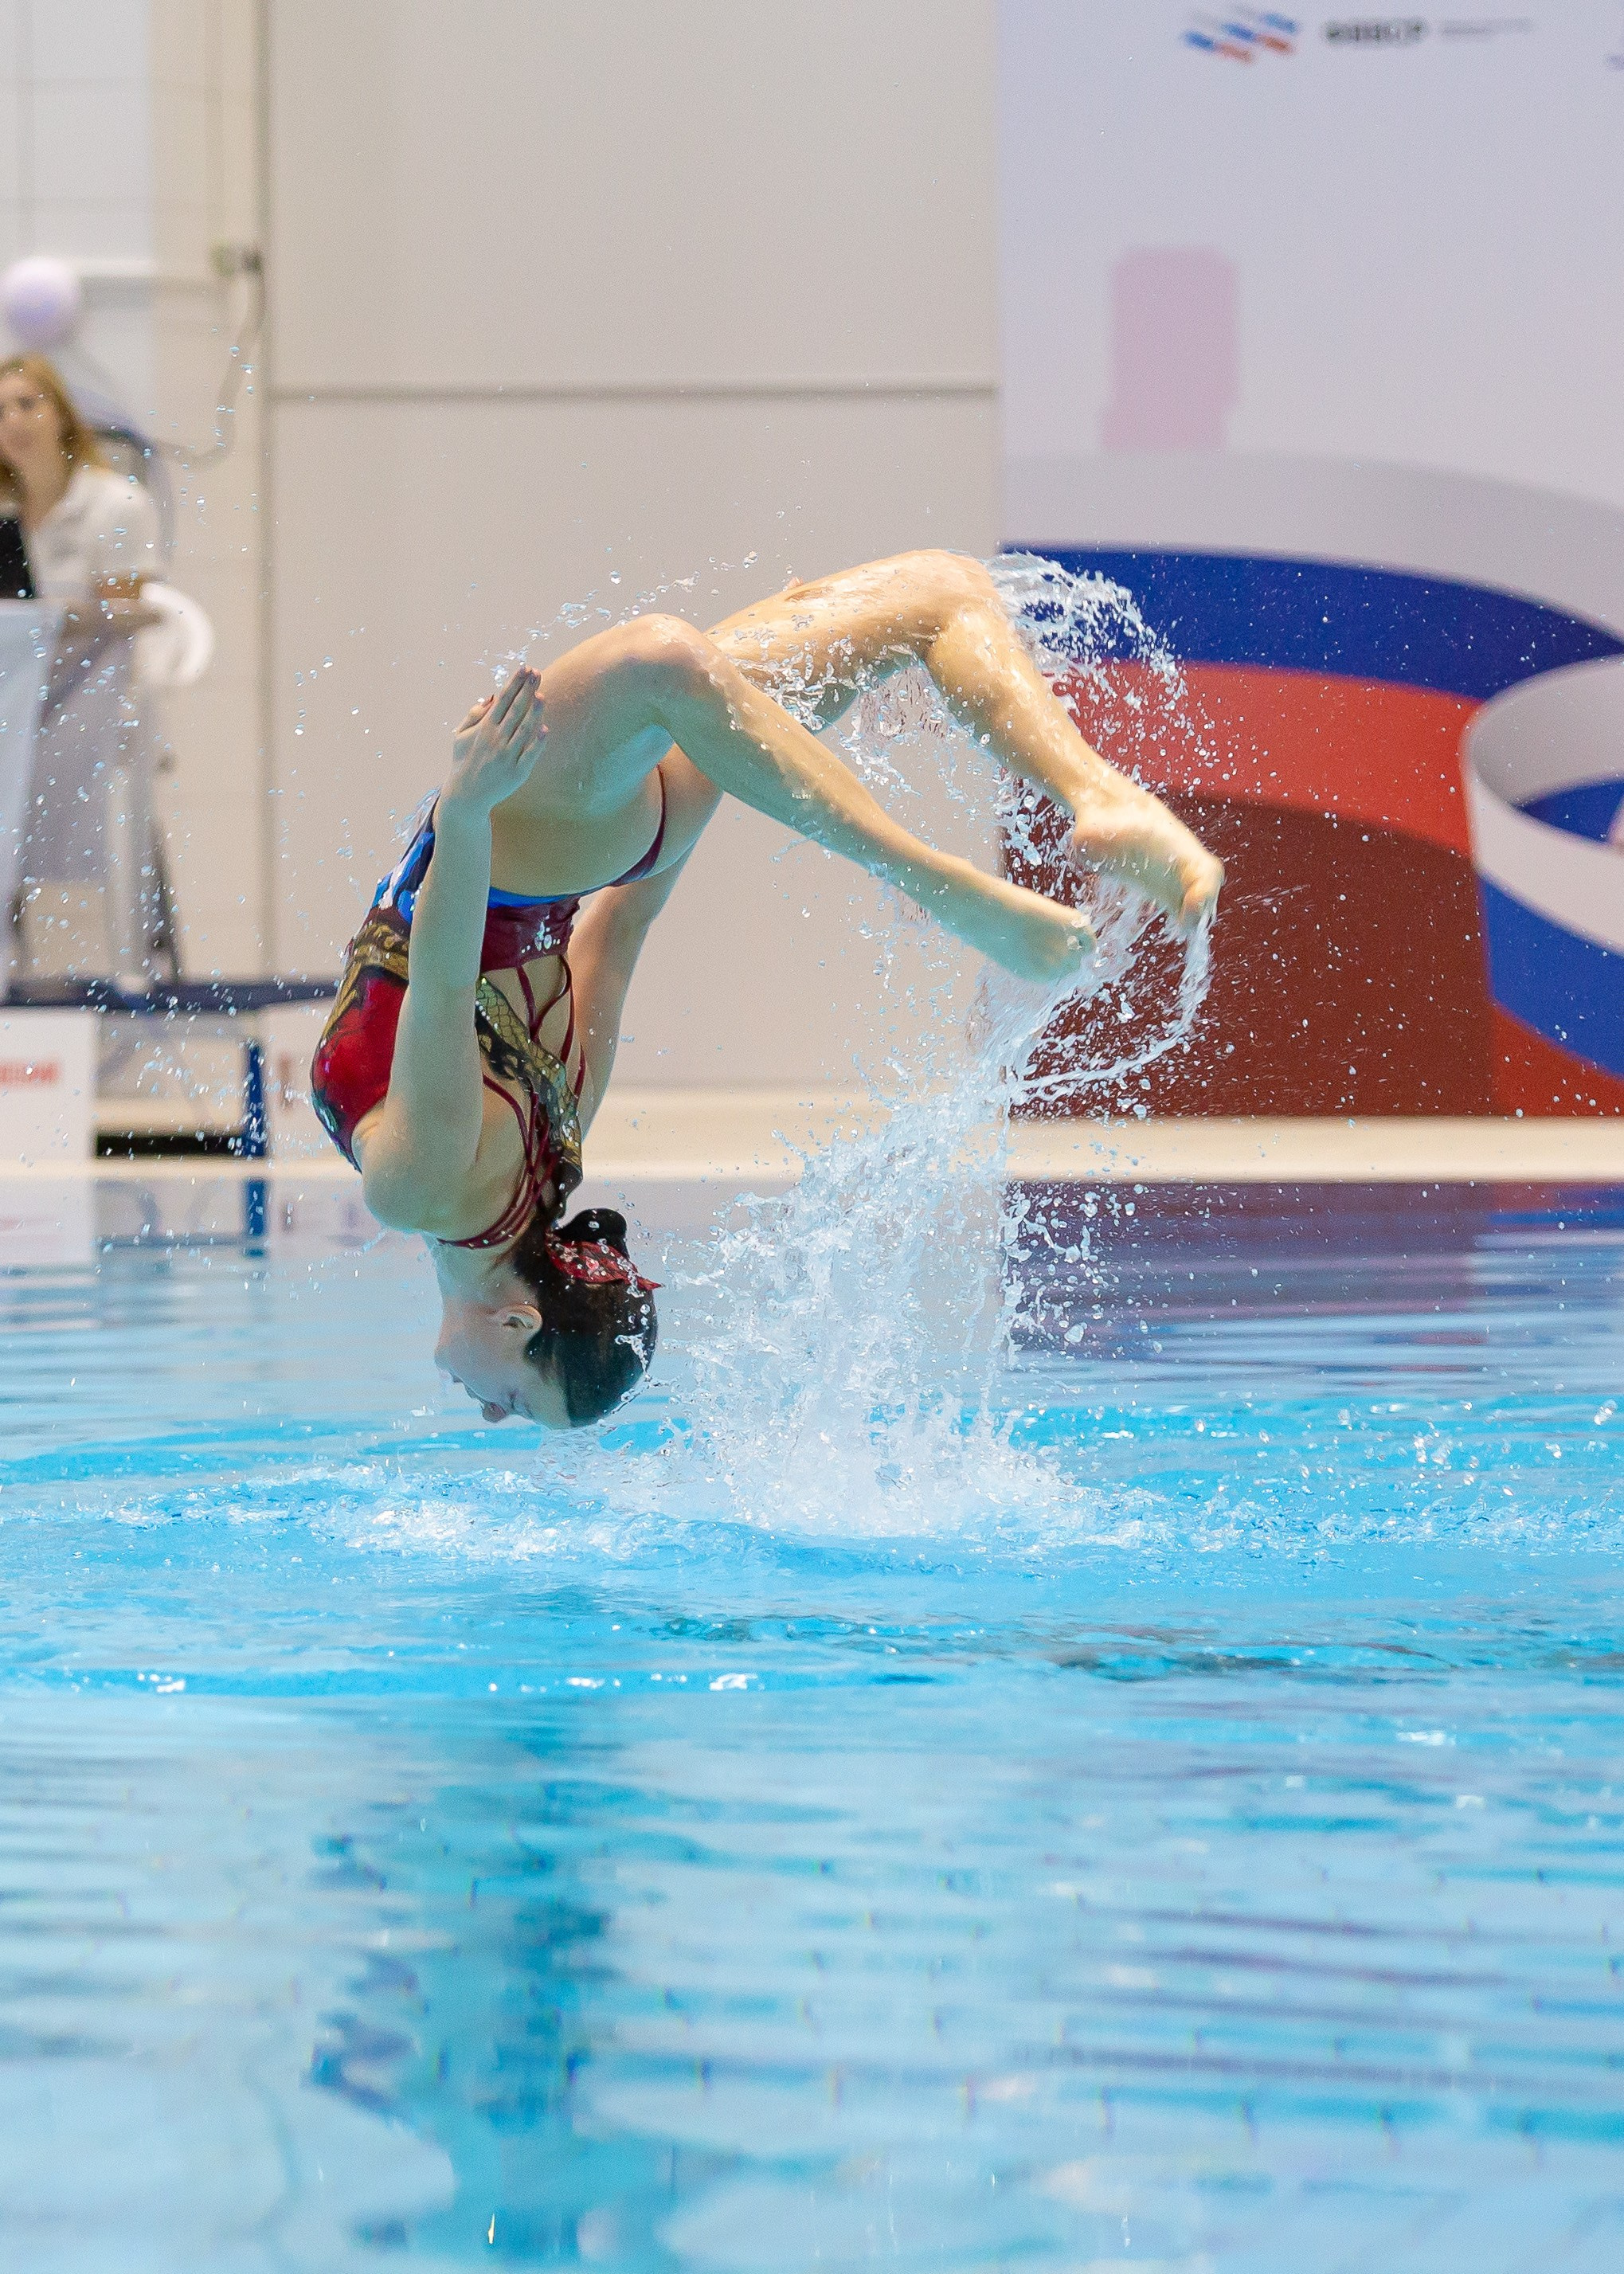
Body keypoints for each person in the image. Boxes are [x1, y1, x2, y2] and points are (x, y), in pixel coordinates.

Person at [310, 549, 1223, 1430]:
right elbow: (441, 980)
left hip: (605, 843)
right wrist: (469, 805)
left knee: (935, 593)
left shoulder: (561, 1136)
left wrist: (730, 733)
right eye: (512, 1399)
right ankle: (958, 869)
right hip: (521, 834)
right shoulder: (422, 1194)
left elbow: (623, 923)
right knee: (671, 657)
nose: (483, 1408)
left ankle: (1099, 797)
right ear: (520, 1324)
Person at [0, 354, 166, 973]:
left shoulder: (117, 504)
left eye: (27, 404)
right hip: (16, 692)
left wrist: (59, 618)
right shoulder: (5, 511)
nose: (13, 422)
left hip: (88, 694)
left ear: (64, 417)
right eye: (0, 410)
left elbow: (128, 614)